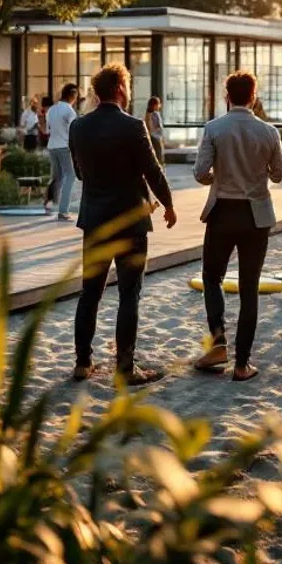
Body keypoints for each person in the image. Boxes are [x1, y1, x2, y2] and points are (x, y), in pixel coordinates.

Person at [68, 63, 176, 386]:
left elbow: (78, 173)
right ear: (118, 87)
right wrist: (169, 204)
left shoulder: (78, 127)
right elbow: (153, 172)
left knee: (90, 294)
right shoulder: (133, 127)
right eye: (128, 86)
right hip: (131, 223)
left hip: (95, 221)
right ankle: (126, 367)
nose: (129, 93)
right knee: (129, 294)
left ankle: (83, 362)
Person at [192, 71, 282, 381]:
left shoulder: (214, 128)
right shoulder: (269, 132)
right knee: (249, 289)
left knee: (212, 276)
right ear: (254, 96)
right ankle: (242, 364)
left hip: (222, 212)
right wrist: (259, 176)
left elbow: (199, 172)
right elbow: (279, 174)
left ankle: (218, 342)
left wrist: (216, 179)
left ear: (227, 95)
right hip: (256, 216)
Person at [44, 83, 79, 220]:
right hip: (64, 146)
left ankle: (48, 203)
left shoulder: (51, 110)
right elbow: (73, 131)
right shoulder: (69, 111)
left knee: (57, 177)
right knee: (70, 176)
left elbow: (48, 130)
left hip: (52, 146)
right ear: (72, 95)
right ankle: (63, 211)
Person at [145, 97, 165, 165]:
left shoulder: (153, 113)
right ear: (154, 105)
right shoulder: (152, 114)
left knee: (158, 157)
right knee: (158, 158)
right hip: (155, 138)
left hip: (156, 137)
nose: (160, 105)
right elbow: (151, 127)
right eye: (158, 103)